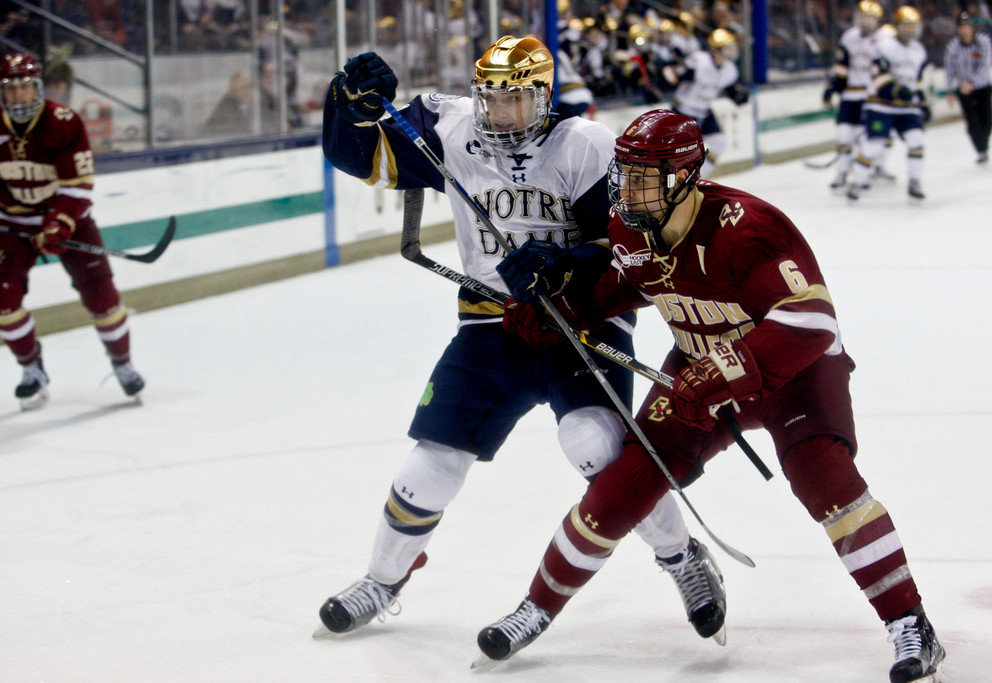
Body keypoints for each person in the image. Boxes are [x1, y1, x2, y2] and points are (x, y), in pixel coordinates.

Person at [475, 109, 946, 683]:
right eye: (624, 172)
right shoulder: (630, 229)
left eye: (644, 176)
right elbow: (621, 288)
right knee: (623, 483)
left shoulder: (748, 227)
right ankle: (536, 608)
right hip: (701, 370)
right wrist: (560, 312)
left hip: (794, 371)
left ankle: (911, 624)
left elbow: (811, 321)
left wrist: (725, 366)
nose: (626, 188)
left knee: (825, 482)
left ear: (685, 177)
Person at [315, 37, 727, 643]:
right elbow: (357, 155)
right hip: (491, 319)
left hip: (578, 319)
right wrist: (346, 102)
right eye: (490, 98)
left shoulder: (584, 145)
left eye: (513, 100)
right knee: (428, 466)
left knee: (596, 446)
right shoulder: (448, 126)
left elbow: (629, 243)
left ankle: (682, 558)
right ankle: (382, 579)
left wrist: (565, 263)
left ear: (543, 95)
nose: (498, 112)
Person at [0, 53, 144, 409]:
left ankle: (123, 364)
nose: (19, 96)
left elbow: (78, 187)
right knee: (1, 300)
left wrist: (58, 224)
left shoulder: (63, 123)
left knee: (102, 298)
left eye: (26, 87)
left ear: (39, 87)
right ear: (1, 91)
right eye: (11, 88)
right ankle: (32, 368)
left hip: (69, 222)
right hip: (12, 222)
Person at [848, 6, 930, 201]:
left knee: (917, 140)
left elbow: (917, 81)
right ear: (898, 26)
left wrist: (922, 102)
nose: (910, 30)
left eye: (913, 26)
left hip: (906, 108)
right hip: (881, 106)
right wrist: (895, 90)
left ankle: (914, 182)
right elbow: (877, 75)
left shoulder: (919, 50)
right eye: (906, 26)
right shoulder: (885, 46)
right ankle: (856, 183)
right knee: (873, 146)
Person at [664, 28, 749, 177]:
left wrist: (738, 96)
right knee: (678, 153)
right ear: (717, 49)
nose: (732, 51)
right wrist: (677, 73)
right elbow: (676, 75)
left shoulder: (729, 69)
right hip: (682, 112)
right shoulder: (700, 61)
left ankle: (696, 179)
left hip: (704, 111)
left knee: (719, 143)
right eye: (728, 47)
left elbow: (729, 89)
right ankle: (669, 181)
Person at [824, 0, 885, 189]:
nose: (864, 21)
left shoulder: (885, 39)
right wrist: (832, 87)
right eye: (862, 17)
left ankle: (866, 173)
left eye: (868, 17)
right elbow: (842, 66)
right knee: (843, 137)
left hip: (871, 98)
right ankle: (841, 173)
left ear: (876, 20)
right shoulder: (849, 37)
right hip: (850, 96)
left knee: (867, 139)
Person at [944, 10, 992, 163]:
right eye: (962, 27)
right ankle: (981, 150)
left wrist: (971, 82)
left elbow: (985, 64)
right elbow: (949, 69)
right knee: (972, 121)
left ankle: (983, 144)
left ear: (972, 27)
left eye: (967, 26)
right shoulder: (953, 47)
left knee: (987, 119)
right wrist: (950, 90)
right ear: (958, 29)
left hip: (982, 86)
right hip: (964, 91)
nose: (965, 30)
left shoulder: (983, 41)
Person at [205, 71, 254, 136]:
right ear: (232, 89)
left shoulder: (239, 107)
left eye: (249, 88)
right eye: (243, 88)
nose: (247, 92)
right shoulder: (226, 112)